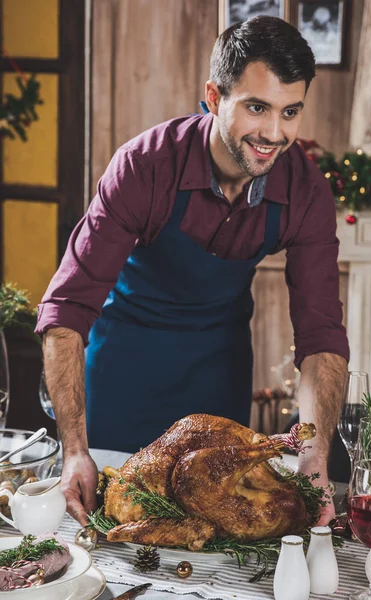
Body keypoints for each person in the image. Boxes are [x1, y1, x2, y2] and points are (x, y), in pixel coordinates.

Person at [35, 16, 349, 527]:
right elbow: (66, 310)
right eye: (256, 107)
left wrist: (314, 460)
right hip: (122, 371)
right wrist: (74, 448)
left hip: (216, 373)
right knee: (110, 533)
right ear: (213, 95)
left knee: (213, 533)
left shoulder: (305, 191)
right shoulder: (144, 166)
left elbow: (321, 336)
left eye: (290, 112)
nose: (274, 133)